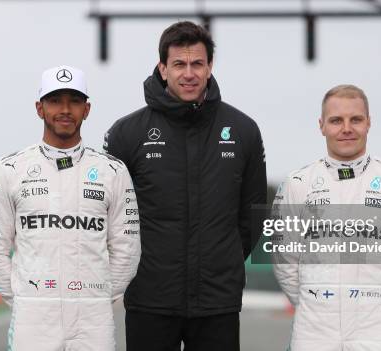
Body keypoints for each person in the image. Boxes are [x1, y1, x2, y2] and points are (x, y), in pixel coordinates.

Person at [103, 21, 267, 351]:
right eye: (179, 64)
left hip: (217, 301)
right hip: (150, 298)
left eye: (197, 64)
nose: (188, 73)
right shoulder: (127, 134)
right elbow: (109, 215)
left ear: (210, 67)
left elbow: (254, 215)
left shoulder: (243, 131)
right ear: (163, 68)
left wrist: (225, 258)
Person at [0, 65, 141, 351]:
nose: (65, 109)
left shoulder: (113, 171)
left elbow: (127, 250)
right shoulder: (9, 169)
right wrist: (27, 297)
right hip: (33, 318)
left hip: (94, 318)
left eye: (74, 101)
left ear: (87, 109)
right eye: (55, 100)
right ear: (39, 108)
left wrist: (96, 296)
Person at [272, 84, 381, 351]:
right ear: (321, 125)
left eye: (355, 119)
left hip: (376, 331)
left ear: (369, 123)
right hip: (313, 331)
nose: (346, 128)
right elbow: (283, 258)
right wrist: (317, 303)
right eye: (336, 120)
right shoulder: (296, 184)